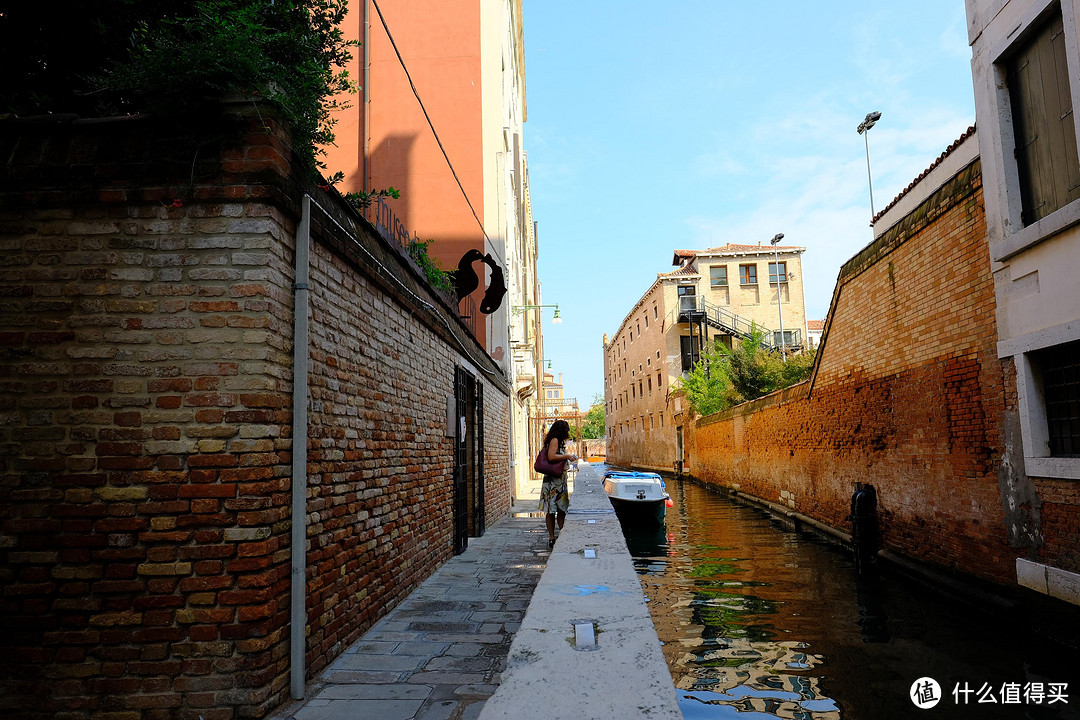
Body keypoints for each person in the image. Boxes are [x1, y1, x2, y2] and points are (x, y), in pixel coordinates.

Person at [539, 419, 577, 547]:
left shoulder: (557, 441)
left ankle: (561, 534)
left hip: (559, 480)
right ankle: (552, 537)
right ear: (561, 430)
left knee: (561, 509)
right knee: (551, 510)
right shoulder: (554, 440)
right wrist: (567, 456)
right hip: (553, 482)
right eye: (566, 430)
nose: (567, 433)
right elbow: (551, 457)